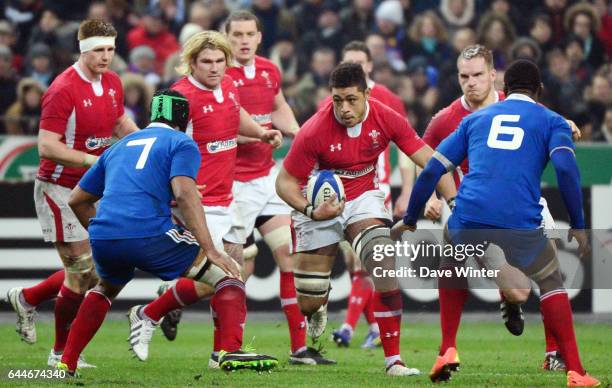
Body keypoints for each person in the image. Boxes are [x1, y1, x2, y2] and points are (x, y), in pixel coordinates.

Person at [397, 59, 600, 388]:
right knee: (549, 280)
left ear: (502, 85)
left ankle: (446, 348)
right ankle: (575, 371)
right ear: (540, 91)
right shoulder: (551, 120)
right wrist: (578, 223)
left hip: (469, 214)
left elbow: (433, 169)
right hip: (519, 217)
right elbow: (565, 170)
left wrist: (410, 217)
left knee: (454, 255)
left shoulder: (474, 120)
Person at [55, 89, 277, 375]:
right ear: (184, 119)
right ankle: (230, 351)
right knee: (230, 274)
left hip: (104, 234)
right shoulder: (181, 142)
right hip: (150, 233)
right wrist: (210, 248)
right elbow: (185, 195)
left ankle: (65, 363)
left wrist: (103, 232)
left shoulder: (119, 146)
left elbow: (77, 199)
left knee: (105, 288)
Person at [275, 62, 457, 377]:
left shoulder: (386, 118)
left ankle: (393, 362)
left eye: (351, 99)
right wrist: (311, 211)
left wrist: (455, 202)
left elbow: (431, 162)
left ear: (366, 94)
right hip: (319, 204)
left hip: (363, 199)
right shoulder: (314, 130)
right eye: (337, 100)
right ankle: (319, 303)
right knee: (307, 303)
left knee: (385, 268)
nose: (344, 108)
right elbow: (285, 184)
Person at [127, 31, 282, 369]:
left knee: (232, 275)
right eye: (206, 62)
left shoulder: (228, 86)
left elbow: (235, 115)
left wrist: (260, 132)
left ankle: (217, 351)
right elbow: (158, 147)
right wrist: (174, 190)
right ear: (191, 63)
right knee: (225, 275)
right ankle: (157, 317)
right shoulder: (179, 99)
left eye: (219, 61)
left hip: (228, 198)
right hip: (198, 203)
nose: (214, 68)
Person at [6, 19, 138, 368]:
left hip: (92, 189)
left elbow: (118, 121)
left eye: (110, 49)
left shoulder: (111, 82)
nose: (106, 57)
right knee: (82, 272)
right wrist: (94, 160)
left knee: (95, 272)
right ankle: (59, 354)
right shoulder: (62, 88)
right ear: (83, 50)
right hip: (59, 188)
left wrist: (141, 144)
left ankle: (28, 298)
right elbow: (47, 146)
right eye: (99, 50)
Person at [222, 10, 334, 365]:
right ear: (227, 38)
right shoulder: (220, 75)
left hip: (265, 178)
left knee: (289, 256)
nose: (242, 40)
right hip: (231, 183)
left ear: (258, 37)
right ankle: (222, 343)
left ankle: (299, 349)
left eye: (248, 34)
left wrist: (300, 135)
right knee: (235, 269)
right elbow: (217, 129)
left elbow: (279, 106)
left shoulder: (270, 70)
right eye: (236, 34)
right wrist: (259, 133)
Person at [317, 41, 415, 349]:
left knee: (367, 264)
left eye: (359, 63)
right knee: (355, 265)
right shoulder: (331, 102)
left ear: (370, 66)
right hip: (341, 194)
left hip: (376, 190)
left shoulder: (388, 100)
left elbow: (407, 147)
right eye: (349, 63)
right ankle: (373, 325)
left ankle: (348, 326)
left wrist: (408, 191)